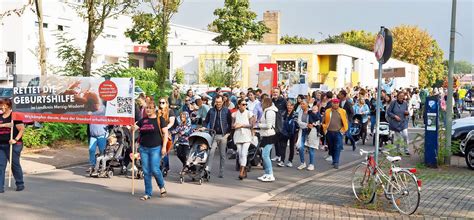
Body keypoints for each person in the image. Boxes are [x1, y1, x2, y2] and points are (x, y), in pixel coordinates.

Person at [135, 100, 168, 201]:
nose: (148, 110)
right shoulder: (143, 120)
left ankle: (161, 186)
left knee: (155, 169)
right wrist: (130, 127)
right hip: (143, 148)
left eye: (150, 108)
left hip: (156, 148)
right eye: (147, 108)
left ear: (154, 109)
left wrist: (164, 147)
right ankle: (147, 193)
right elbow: (134, 128)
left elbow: (165, 134)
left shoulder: (160, 119)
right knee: (146, 170)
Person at [203, 95, 232, 178]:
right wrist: (204, 127)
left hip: (223, 136)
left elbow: (230, 123)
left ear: (223, 102)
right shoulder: (211, 111)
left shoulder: (227, 111)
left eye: (219, 102)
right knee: (210, 153)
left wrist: (227, 134)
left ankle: (221, 171)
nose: (218, 104)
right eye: (217, 102)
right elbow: (206, 121)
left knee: (222, 155)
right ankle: (208, 170)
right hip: (214, 135)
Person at [0, 99, 25, 193]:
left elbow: (22, 129)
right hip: (1, 145)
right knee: (0, 166)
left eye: (4, 105)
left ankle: (20, 183)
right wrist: (5, 125)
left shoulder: (15, 116)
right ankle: (0, 187)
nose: (2, 107)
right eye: (1, 105)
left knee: (14, 165)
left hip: (13, 145)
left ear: (9, 106)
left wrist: (15, 139)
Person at [232, 99, 255, 180]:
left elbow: (252, 125)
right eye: (243, 104)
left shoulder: (249, 113)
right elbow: (232, 125)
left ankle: (241, 172)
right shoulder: (234, 114)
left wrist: (241, 125)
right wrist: (235, 126)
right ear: (239, 105)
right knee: (239, 153)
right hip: (238, 135)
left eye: (245, 104)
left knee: (244, 153)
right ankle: (244, 169)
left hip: (246, 135)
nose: (245, 106)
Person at [322, 98, 348, 169]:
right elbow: (323, 121)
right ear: (332, 103)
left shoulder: (343, 111)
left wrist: (343, 130)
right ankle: (334, 159)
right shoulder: (327, 111)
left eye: (337, 103)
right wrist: (325, 128)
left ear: (339, 104)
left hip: (338, 132)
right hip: (329, 132)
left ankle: (336, 162)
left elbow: (346, 122)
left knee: (337, 147)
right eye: (334, 103)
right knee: (331, 147)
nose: (335, 104)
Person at [257, 98, 278, 182]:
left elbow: (269, 125)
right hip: (266, 135)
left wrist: (260, 125)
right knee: (265, 155)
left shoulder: (269, 112)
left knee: (265, 155)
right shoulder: (268, 111)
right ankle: (267, 173)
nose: (261, 104)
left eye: (262, 102)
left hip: (269, 135)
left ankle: (270, 174)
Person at [297, 103, 321, 171]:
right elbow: (299, 122)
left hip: (311, 131)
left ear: (307, 105)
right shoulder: (300, 112)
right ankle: (302, 163)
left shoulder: (311, 111)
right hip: (302, 131)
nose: (302, 105)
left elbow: (318, 120)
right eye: (301, 104)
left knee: (311, 148)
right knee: (300, 147)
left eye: (303, 104)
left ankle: (311, 164)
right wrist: (307, 125)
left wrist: (313, 124)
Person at [158, 98, 176, 176]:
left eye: (163, 102)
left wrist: (165, 128)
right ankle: (160, 166)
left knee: (164, 150)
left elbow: (171, 122)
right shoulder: (157, 112)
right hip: (158, 133)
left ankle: (165, 167)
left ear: (166, 103)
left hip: (168, 133)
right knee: (159, 150)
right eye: (160, 102)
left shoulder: (170, 111)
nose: (161, 104)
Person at [277, 101, 298, 168]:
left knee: (291, 147)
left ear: (293, 106)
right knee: (283, 146)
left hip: (293, 132)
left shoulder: (295, 113)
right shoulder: (284, 113)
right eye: (288, 105)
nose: (289, 107)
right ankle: (282, 161)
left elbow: (296, 123)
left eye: (290, 105)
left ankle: (290, 161)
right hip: (284, 132)